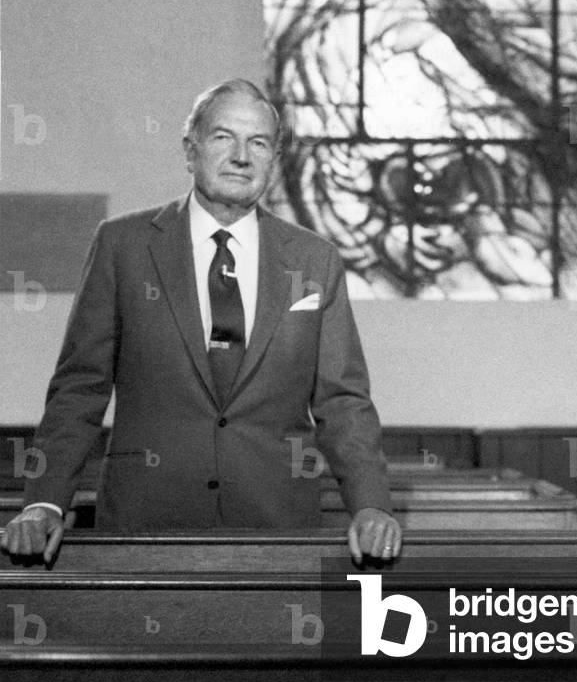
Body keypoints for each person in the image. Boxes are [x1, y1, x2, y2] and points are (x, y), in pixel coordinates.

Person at [0, 79, 402, 564]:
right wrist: (43, 502)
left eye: (259, 143)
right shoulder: (123, 246)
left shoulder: (314, 260)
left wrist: (371, 505)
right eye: (223, 137)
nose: (241, 156)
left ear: (273, 159)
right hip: (143, 524)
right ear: (190, 151)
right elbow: (79, 389)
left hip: (277, 529)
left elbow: (343, 401)